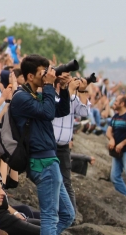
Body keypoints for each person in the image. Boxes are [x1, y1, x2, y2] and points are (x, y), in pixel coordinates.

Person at [10, 55, 74, 235]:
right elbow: (47, 113)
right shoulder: (21, 97)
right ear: (30, 76)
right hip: (41, 161)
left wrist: (63, 88)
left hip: (49, 159)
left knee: (67, 214)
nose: (47, 76)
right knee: (50, 217)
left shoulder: (35, 95)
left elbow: (61, 110)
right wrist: (48, 86)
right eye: (42, 73)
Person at [52, 77, 89, 214]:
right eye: (66, 77)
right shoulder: (50, 95)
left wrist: (83, 90)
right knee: (53, 180)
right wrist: (70, 90)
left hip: (64, 146)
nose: (69, 79)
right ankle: (56, 212)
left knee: (66, 181)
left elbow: (84, 112)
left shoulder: (73, 98)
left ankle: (71, 215)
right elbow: (59, 105)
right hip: (50, 145)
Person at [106, 94, 126, 201]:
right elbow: (108, 131)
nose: (114, 103)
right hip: (117, 152)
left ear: (123, 103)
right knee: (114, 177)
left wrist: (122, 144)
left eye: (117, 101)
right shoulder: (115, 117)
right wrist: (112, 139)